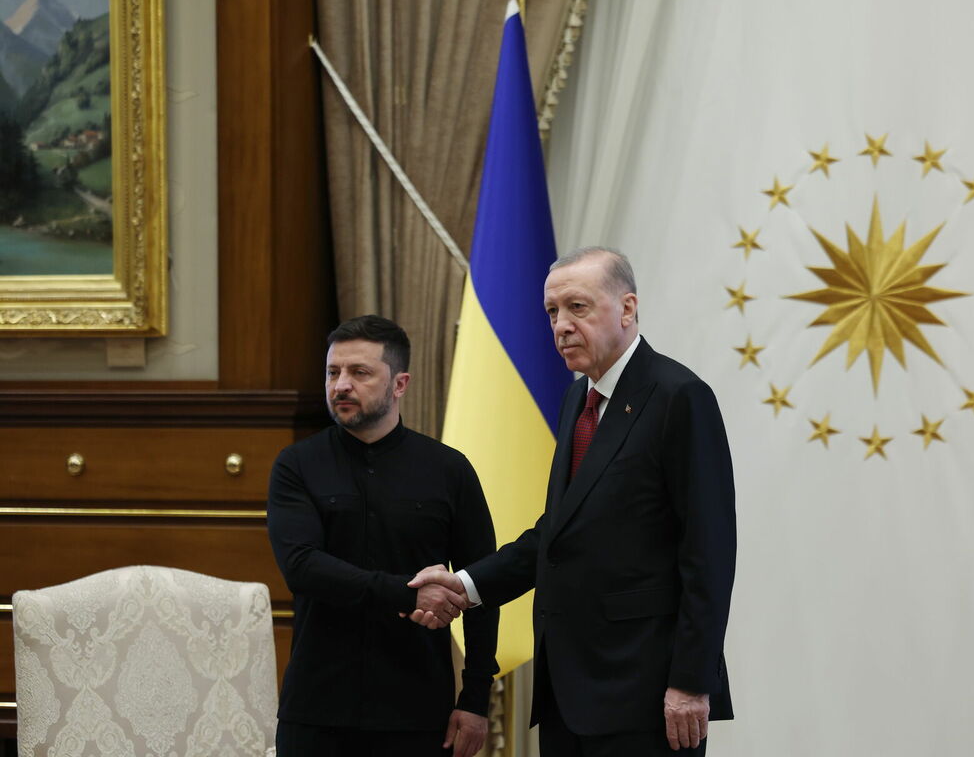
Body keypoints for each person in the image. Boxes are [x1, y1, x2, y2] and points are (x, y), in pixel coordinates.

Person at [410, 248, 736, 755]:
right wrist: (466, 585)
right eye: (552, 312)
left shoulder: (679, 396)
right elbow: (557, 533)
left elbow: (709, 552)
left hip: (646, 691)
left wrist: (692, 682)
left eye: (577, 308)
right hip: (568, 690)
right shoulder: (576, 401)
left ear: (627, 309)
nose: (561, 325)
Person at [267, 315, 498, 757]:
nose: (341, 386)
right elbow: (302, 568)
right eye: (333, 372)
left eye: (360, 372)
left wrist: (475, 699)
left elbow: (480, 584)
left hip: (418, 710)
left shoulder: (449, 470)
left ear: (400, 383)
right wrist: (409, 595)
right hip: (318, 709)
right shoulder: (296, 465)